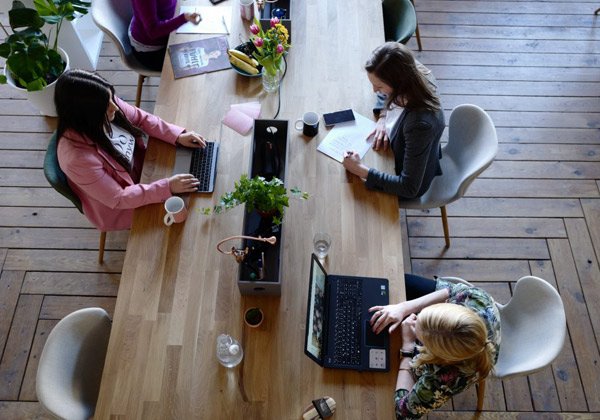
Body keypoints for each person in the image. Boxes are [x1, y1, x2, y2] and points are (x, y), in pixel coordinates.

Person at [55, 69, 206, 231]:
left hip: (144, 171)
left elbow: (141, 119)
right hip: (122, 205)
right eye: (107, 105)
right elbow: (118, 198)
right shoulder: (77, 160)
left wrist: (177, 136)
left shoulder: (103, 102)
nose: (115, 107)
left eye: (112, 98)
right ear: (86, 115)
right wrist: (166, 187)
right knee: (190, 219)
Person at [369, 274, 501, 419]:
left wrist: (408, 346)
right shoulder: (476, 299)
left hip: (455, 366)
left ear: (435, 354)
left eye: (420, 337)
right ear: (449, 307)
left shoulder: (443, 381)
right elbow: (449, 290)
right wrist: (403, 308)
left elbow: (403, 413)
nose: (413, 320)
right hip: (473, 339)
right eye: (421, 316)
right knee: (399, 281)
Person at [343, 42, 445, 200]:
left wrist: (360, 170)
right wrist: (383, 117)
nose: (375, 91)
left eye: (379, 87)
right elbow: (385, 94)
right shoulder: (409, 69)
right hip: (398, 150)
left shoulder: (419, 125)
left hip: (405, 179)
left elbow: (409, 187)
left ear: (399, 84)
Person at [129, 0, 201, 71]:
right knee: (195, 67)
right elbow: (153, 31)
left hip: (168, 32)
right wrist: (183, 18)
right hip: (152, 51)